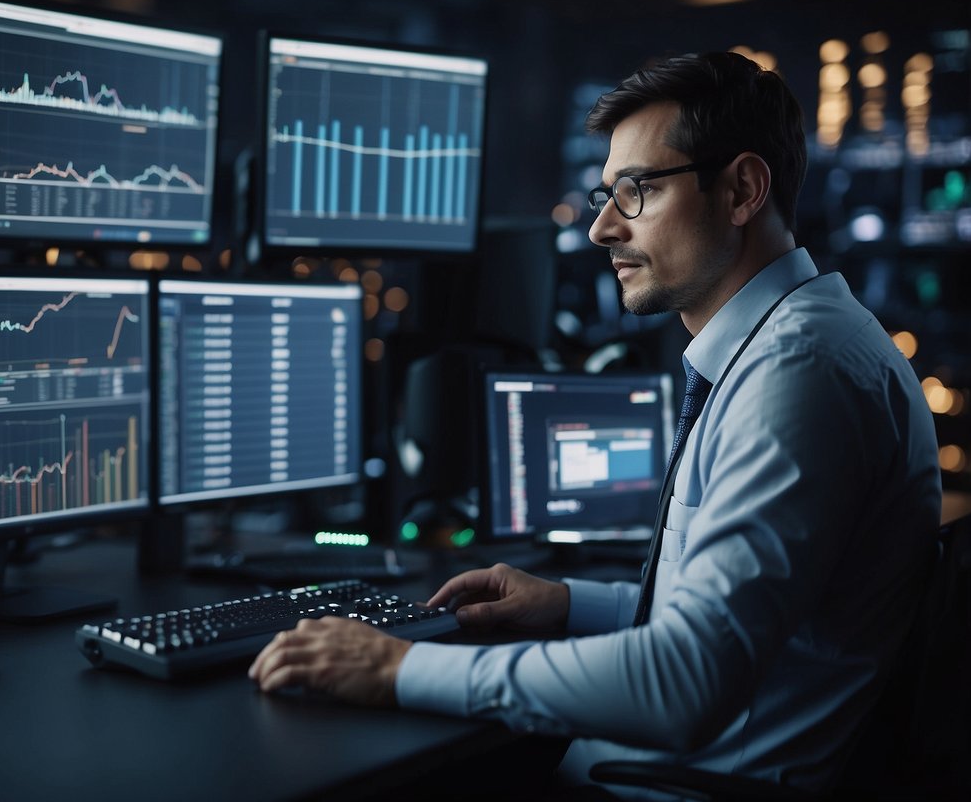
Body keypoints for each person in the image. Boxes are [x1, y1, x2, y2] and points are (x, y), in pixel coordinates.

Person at [248, 51, 942, 796]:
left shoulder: (799, 373)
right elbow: (745, 621)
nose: (602, 228)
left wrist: (396, 667)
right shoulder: (795, 343)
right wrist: (569, 603)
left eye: (637, 191)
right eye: (605, 195)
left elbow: (685, 680)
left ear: (741, 189)